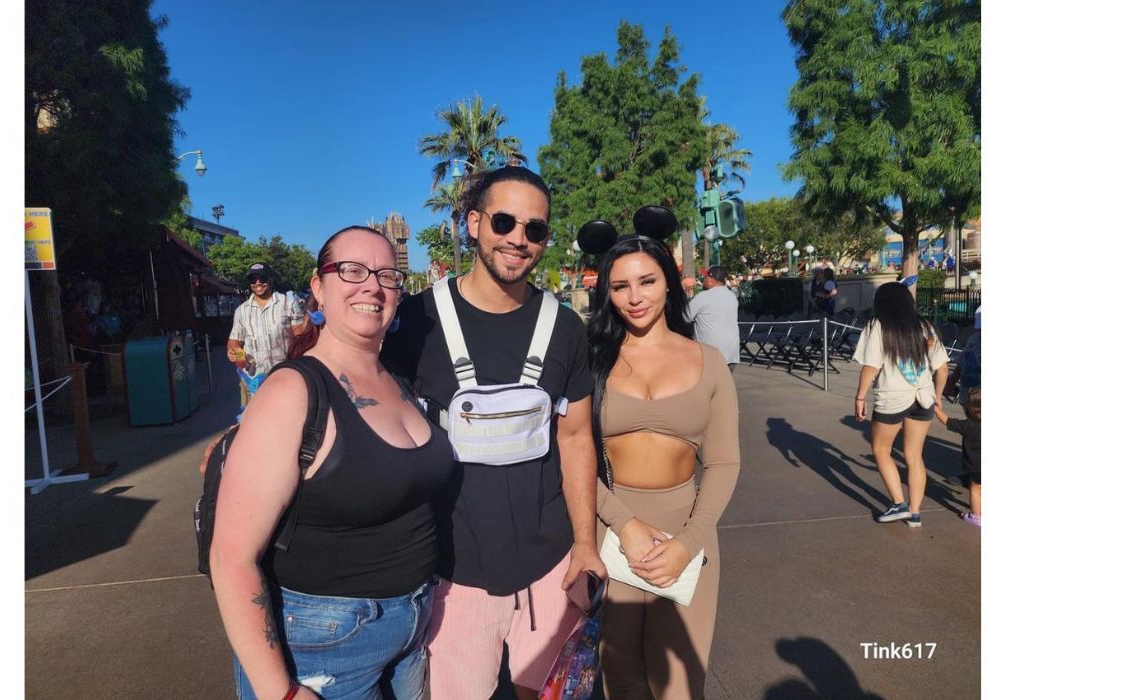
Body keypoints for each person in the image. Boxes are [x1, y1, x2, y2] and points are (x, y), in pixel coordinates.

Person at [381, 166, 606, 699]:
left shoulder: (565, 329)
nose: (518, 239)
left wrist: (585, 545)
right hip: (451, 572)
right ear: (474, 223)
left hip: (550, 563)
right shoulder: (416, 323)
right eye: (504, 221)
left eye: (535, 229)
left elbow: (575, 439)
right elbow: (364, 404)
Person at [210, 227, 455, 699]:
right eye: (351, 270)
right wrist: (279, 691)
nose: (372, 285)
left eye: (387, 274)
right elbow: (231, 556)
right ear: (318, 287)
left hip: (411, 630)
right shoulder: (293, 391)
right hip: (323, 649)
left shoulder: (398, 381)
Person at [588, 233, 741, 699]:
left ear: (670, 284)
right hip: (610, 530)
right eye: (619, 287)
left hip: (687, 531)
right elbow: (572, 458)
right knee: (620, 681)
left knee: (677, 685)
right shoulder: (591, 357)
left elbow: (724, 462)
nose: (634, 298)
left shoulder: (708, 361)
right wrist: (624, 524)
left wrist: (689, 542)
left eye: (647, 281)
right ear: (607, 293)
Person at [853, 282, 950, 528]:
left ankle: (899, 504)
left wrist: (860, 397)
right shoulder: (925, 327)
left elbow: (871, 366)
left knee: (881, 450)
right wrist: (937, 396)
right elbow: (942, 368)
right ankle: (915, 513)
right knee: (914, 455)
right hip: (924, 397)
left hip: (893, 397)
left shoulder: (878, 325)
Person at [228, 262, 302, 408]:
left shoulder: (288, 304)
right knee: (252, 424)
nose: (257, 283)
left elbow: (301, 339)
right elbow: (234, 342)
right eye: (252, 279)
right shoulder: (241, 311)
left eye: (262, 278)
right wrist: (236, 354)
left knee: (287, 421)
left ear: (270, 279)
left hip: (285, 376)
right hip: (253, 380)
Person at [934, 388, 981, 526]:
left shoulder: (969, 425)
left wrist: (937, 410)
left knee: (975, 488)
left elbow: (948, 421)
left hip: (976, 466)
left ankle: (976, 516)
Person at [686, 264, 742, 377]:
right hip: (732, 353)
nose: (703, 280)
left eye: (705, 277)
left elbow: (684, 317)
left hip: (710, 354)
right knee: (723, 389)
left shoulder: (703, 296)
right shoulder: (731, 296)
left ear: (711, 279)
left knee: (706, 390)